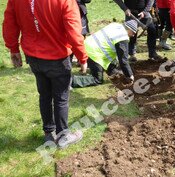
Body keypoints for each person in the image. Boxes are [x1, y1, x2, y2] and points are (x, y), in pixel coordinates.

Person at [3, 0, 88, 148]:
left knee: (45, 95)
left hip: (33, 56)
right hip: (57, 56)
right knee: (61, 97)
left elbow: (10, 23)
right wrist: (82, 57)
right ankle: (63, 136)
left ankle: (49, 133)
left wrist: (13, 48)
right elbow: (74, 31)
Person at [72, 20, 137, 88]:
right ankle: (71, 81)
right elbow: (123, 60)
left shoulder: (115, 25)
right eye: (133, 32)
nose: (133, 35)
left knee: (113, 63)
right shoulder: (122, 37)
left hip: (87, 45)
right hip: (93, 54)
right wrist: (130, 75)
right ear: (129, 29)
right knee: (97, 79)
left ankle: (113, 73)